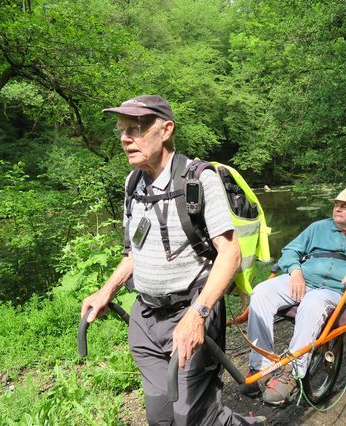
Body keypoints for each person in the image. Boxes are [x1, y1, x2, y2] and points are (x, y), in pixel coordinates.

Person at [80, 95, 265, 425]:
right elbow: (132, 254)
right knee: (161, 415)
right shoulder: (133, 183)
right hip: (145, 318)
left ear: (166, 130)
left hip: (191, 315)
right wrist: (106, 291)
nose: (125, 138)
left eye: (134, 129)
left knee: (195, 417)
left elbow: (230, 255)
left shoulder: (198, 180)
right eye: (122, 130)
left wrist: (198, 314)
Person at [239, 184, 346, 406]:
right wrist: (295, 271)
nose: (337, 209)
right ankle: (260, 365)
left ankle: (292, 372)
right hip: (304, 279)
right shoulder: (318, 228)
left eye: (345, 206)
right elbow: (291, 250)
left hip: (335, 290)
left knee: (313, 302)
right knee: (261, 291)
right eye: (336, 205)